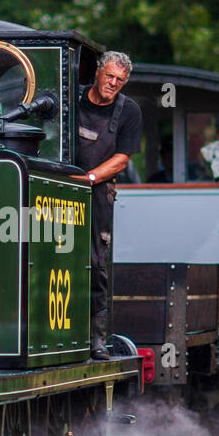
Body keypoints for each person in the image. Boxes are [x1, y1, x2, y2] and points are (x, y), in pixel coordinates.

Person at [77, 51, 142, 360]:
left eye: (120, 80)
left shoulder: (128, 111)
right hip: (57, 186)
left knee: (97, 264)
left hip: (97, 192)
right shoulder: (71, 100)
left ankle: (96, 339)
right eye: (109, 77)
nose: (113, 83)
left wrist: (89, 178)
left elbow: (121, 160)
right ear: (98, 73)